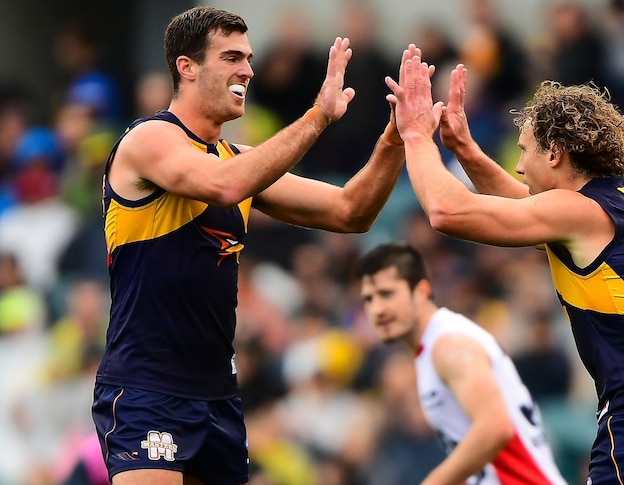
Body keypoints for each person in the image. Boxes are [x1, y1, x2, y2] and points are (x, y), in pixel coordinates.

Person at [92, 6, 414, 485]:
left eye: (248, 57)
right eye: (231, 57)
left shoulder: (237, 161)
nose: (248, 69)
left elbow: (352, 211)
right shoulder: (150, 139)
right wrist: (318, 117)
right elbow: (224, 186)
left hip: (218, 395)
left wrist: (398, 137)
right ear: (187, 66)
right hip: (146, 387)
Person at [384, 52, 624, 484]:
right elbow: (524, 210)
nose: (517, 164)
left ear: (555, 154)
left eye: (524, 150)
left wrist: (418, 137)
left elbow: (446, 212)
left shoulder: (579, 213)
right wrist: (466, 152)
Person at [356, 242, 568, 485]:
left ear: (421, 291)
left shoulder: (449, 346)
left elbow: (495, 428)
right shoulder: (434, 347)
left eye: (387, 294)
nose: (377, 309)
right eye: (368, 299)